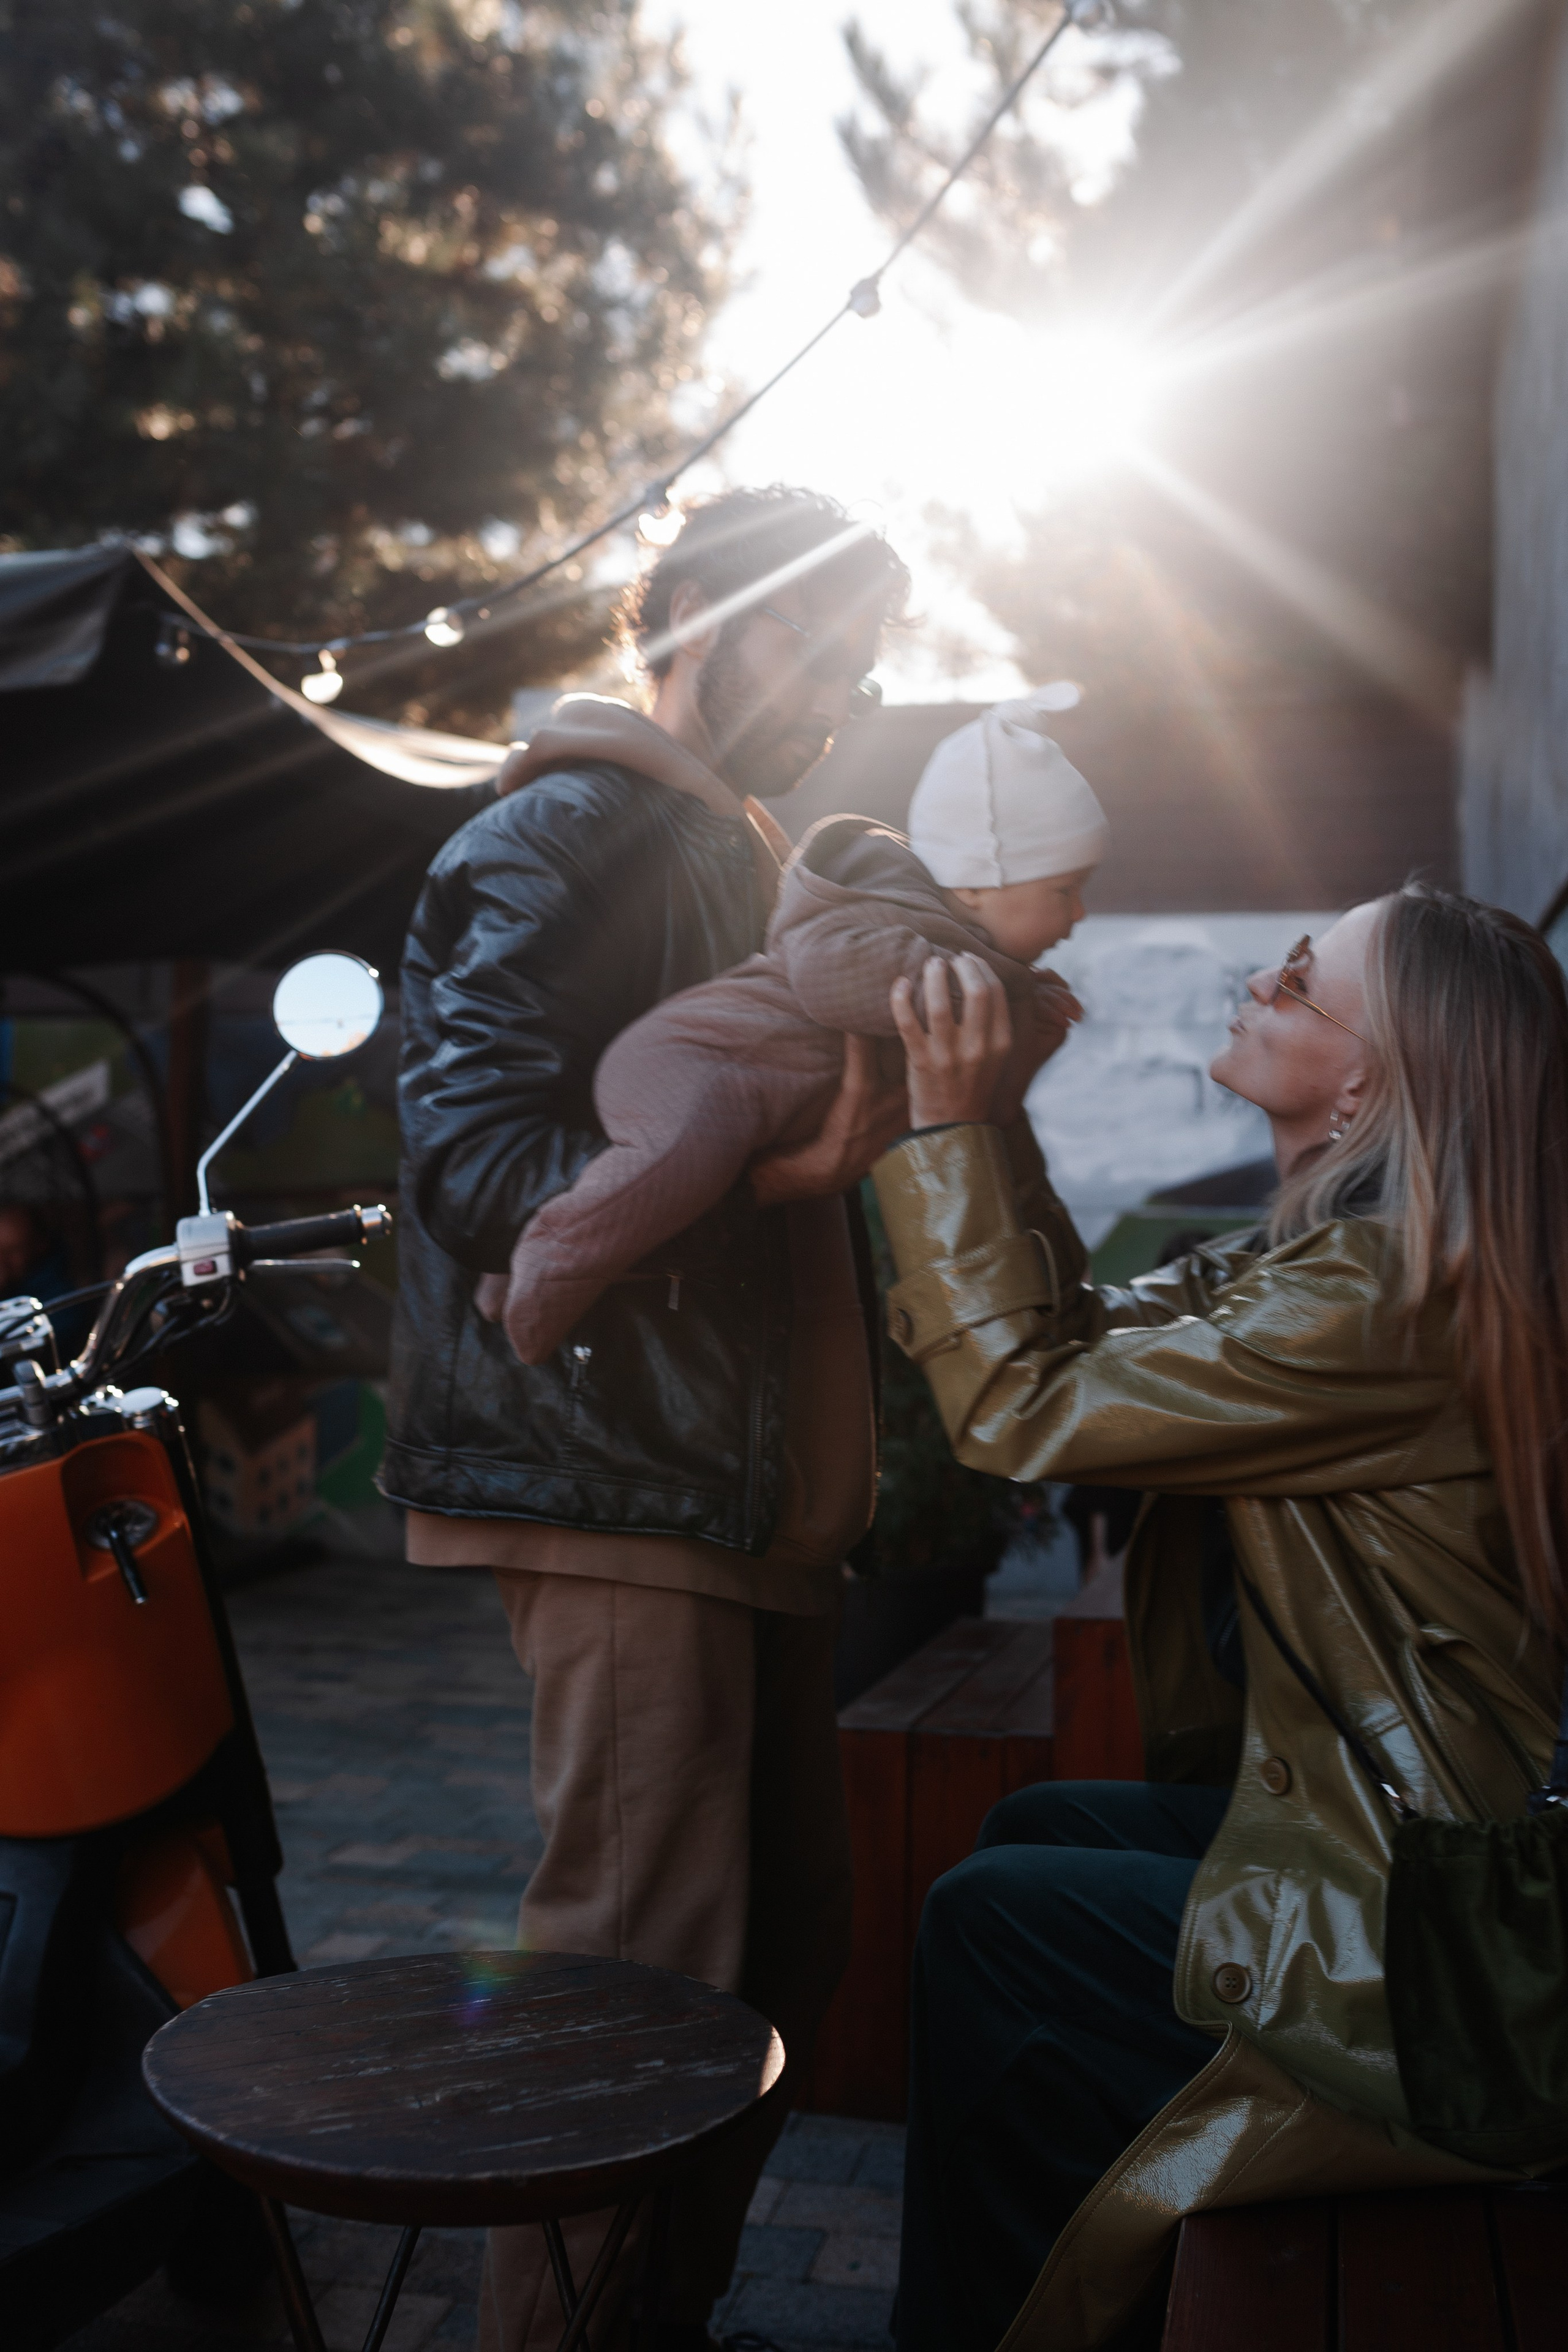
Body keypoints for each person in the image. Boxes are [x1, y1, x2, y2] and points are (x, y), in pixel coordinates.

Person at [869, 888, 1566, 2352]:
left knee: (986, 1927)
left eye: (1302, 979)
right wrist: (991, 1122)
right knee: (1025, 1834)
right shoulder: (1341, 1255)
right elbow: (1087, 1336)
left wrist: (937, 1125)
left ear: (1373, 1075)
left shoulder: (1386, 1293)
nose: (1259, 976)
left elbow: (1019, 1402)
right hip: (1420, 1853)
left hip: (1459, 1954)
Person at [383, 486, 914, 2352]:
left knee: (778, 1958)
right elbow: (476, 1168)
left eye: (861, 661)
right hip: (615, 1470)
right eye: (806, 642)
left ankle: (652, 2316)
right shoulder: (561, 833)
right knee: (638, 1968)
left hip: (749, 1489)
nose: (835, 690)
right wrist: (778, 1169)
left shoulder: (749, 856)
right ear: (687, 609)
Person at [483, 690, 1104, 1363]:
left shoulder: (964, 953)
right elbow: (828, 977)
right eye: (1062, 890)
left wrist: (1022, 1039)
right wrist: (984, 994)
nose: (1077, 916)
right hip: (697, 1065)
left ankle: (503, 1266)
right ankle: (545, 1282)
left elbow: (970, 1116)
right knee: (663, 1174)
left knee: (658, 1185)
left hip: (749, 1095)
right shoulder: (881, 913)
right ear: (980, 883)